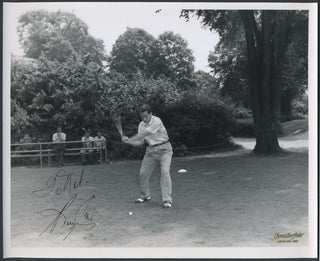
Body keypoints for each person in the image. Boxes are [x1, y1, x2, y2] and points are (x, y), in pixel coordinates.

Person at [121, 104, 173, 208]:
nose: (144, 119)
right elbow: (140, 142)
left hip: (164, 150)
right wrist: (128, 142)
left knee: (165, 172)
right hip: (150, 151)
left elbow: (144, 134)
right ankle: (145, 195)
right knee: (142, 174)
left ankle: (167, 200)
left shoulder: (157, 121)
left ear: (151, 113)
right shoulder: (141, 124)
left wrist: (130, 139)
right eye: (142, 117)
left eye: (146, 116)